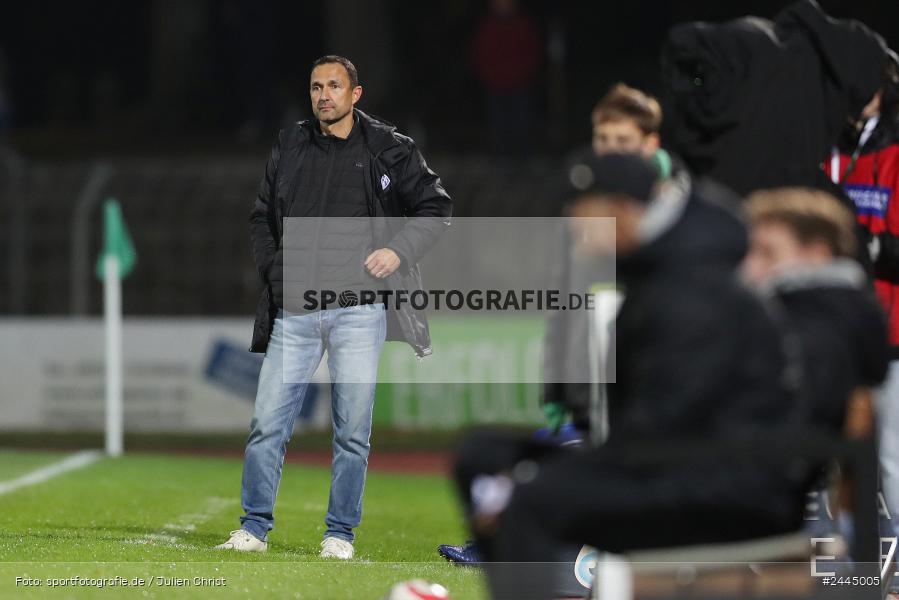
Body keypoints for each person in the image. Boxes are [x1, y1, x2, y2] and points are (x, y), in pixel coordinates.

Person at [453, 154, 801, 599]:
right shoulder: (661, 267)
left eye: (579, 206)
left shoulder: (690, 285)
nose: (569, 219)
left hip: (723, 481)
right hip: (684, 460)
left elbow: (665, 425)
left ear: (617, 208)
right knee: (481, 454)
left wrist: (555, 472)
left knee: (532, 501)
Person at [216, 55, 452, 559]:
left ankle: (339, 535)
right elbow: (261, 217)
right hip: (295, 311)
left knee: (351, 432)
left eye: (334, 86)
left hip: (359, 311)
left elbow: (436, 208)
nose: (324, 95)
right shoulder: (290, 143)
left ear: (355, 94)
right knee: (266, 425)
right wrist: (273, 272)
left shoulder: (390, 148)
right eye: (316, 87)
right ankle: (254, 528)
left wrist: (398, 250)